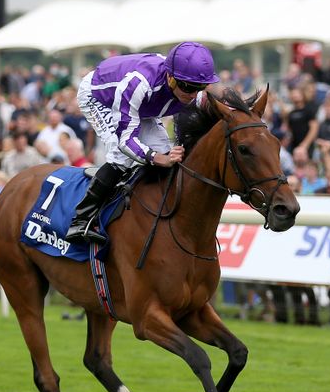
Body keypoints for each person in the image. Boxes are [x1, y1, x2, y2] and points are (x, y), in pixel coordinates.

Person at [65, 42, 219, 243]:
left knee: (165, 149)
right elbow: (125, 141)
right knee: (122, 155)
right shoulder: (139, 84)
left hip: (143, 104)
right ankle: (81, 220)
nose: (192, 94)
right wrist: (155, 158)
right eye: (187, 87)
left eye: (199, 88)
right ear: (170, 77)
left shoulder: (190, 90)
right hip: (100, 97)